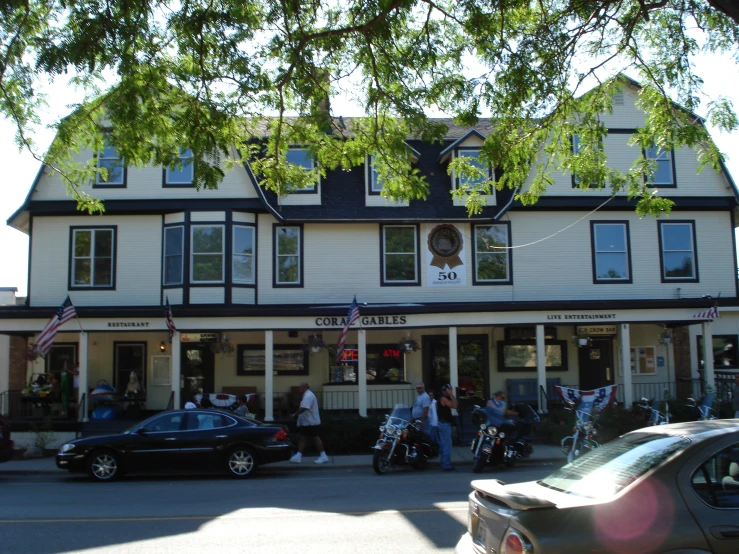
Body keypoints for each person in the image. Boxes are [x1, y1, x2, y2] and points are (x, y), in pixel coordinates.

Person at [289, 381, 329, 464]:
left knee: (315, 438)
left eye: (300, 387)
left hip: (311, 422)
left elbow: (304, 408)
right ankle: (298, 456)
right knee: (303, 438)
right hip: (307, 422)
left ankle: (323, 455)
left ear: (305, 387)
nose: (299, 388)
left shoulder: (308, 396)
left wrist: (294, 414)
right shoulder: (307, 395)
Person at [436, 384, 458, 471]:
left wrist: (452, 396)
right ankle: (446, 465)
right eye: (450, 390)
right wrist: (451, 395)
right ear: (445, 391)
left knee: (445, 445)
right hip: (443, 424)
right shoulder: (443, 398)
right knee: (446, 445)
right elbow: (453, 406)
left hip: (445, 424)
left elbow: (456, 404)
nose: (451, 391)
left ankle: (445, 464)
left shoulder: (447, 398)